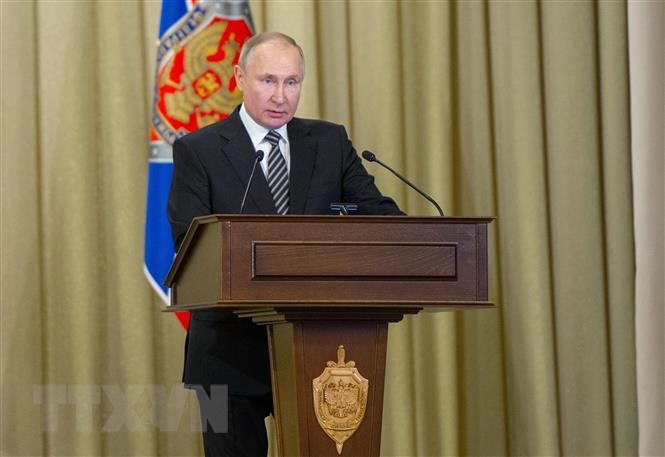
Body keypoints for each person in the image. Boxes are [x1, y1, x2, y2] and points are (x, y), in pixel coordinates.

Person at [167, 31, 402, 457]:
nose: (281, 96)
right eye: (268, 80)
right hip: (226, 353)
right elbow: (191, 245)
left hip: (320, 349)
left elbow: (380, 215)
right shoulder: (198, 150)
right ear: (239, 77)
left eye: (291, 82)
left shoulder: (329, 142)